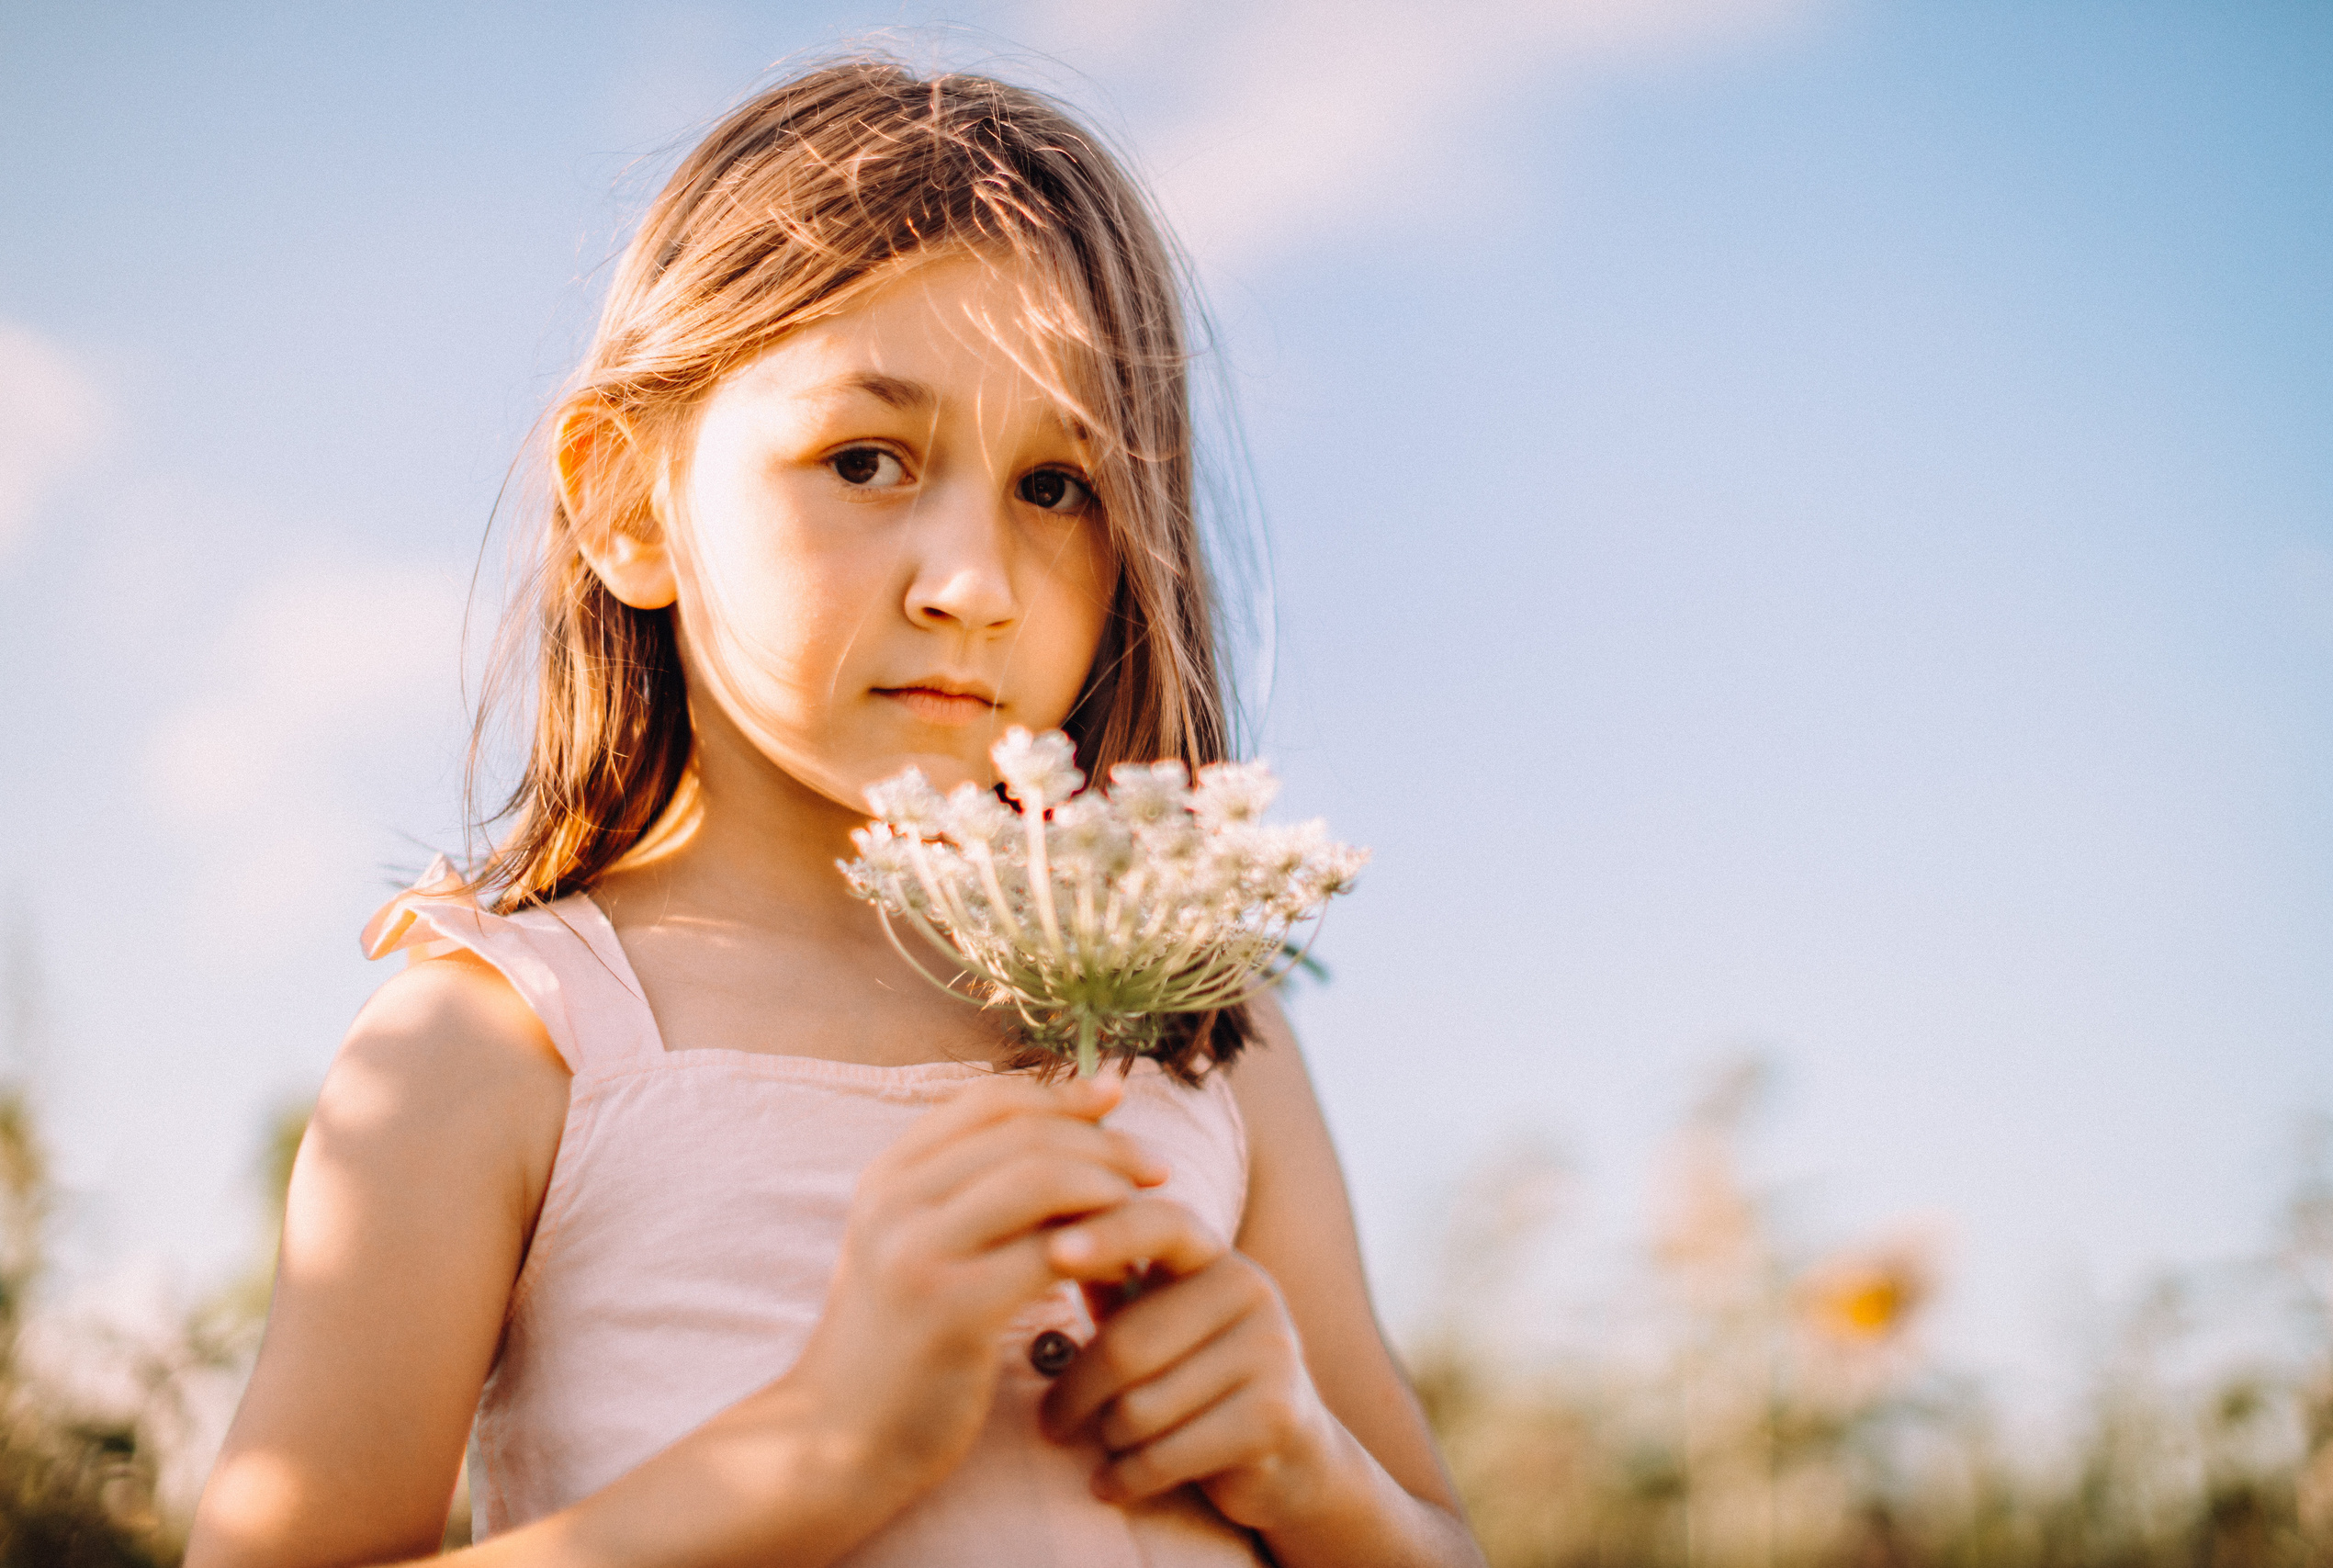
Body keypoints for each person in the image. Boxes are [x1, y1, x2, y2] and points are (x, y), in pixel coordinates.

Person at [186, 57, 1482, 1568]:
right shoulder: (498, 1042)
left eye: (1058, 486)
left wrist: (1311, 1472)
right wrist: (818, 1453)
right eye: (864, 461)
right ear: (628, 504)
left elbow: (1437, 1537)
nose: (975, 586)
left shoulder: (1210, 1026)